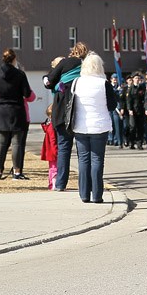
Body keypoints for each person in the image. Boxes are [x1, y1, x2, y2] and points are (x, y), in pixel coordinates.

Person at [71, 52, 116, 203]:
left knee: (83, 160)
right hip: (99, 125)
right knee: (97, 160)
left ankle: (84, 194)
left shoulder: (76, 82)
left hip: (80, 125)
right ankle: (97, 195)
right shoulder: (104, 84)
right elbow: (112, 105)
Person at [43, 42, 89, 191]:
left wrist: (52, 82)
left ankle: (61, 184)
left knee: (64, 148)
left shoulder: (65, 63)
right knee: (83, 150)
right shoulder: (89, 65)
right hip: (82, 112)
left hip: (63, 110)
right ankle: (86, 184)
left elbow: (49, 82)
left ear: (73, 52)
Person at [0, 49, 32, 180]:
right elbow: (27, 93)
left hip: (2, 110)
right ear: (14, 59)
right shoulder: (20, 74)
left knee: (1, 143)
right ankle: (16, 172)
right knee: (17, 143)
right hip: (17, 110)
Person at [41, 105, 58, 190]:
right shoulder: (52, 126)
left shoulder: (48, 125)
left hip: (49, 150)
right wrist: (56, 150)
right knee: (55, 168)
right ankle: (54, 184)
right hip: (53, 150)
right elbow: (53, 139)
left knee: (52, 168)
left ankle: (51, 183)